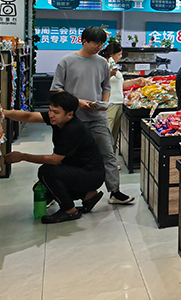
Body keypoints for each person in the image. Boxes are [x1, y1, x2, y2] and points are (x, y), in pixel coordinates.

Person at [51, 26, 134, 205]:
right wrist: (78, 102)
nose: (99, 47)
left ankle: (114, 191)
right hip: (72, 119)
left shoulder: (102, 62)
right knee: (67, 157)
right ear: (84, 41)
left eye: (101, 43)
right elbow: (56, 90)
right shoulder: (66, 62)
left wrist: (103, 104)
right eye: (95, 43)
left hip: (97, 117)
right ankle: (57, 192)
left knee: (108, 154)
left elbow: (106, 87)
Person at [4, 92, 105, 223]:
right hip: (80, 169)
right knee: (46, 188)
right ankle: (87, 196)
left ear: (69, 115)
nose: (51, 114)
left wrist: (22, 156)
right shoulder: (57, 119)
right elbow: (28, 116)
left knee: (46, 172)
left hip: (92, 175)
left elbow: (54, 160)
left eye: (56, 112)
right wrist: (2, 113)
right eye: (50, 110)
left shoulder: (73, 129)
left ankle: (70, 211)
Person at [101, 42, 147, 153]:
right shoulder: (103, 65)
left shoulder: (114, 67)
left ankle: (111, 157)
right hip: (110, 104)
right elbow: (100, 82)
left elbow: (120, 85)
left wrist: (135, 81)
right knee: (106, 134)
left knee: (114, 134)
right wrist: (111, 73)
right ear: (111, 55)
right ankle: (103, 158)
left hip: (118, 103)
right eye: (118, 55)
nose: (120, 57)